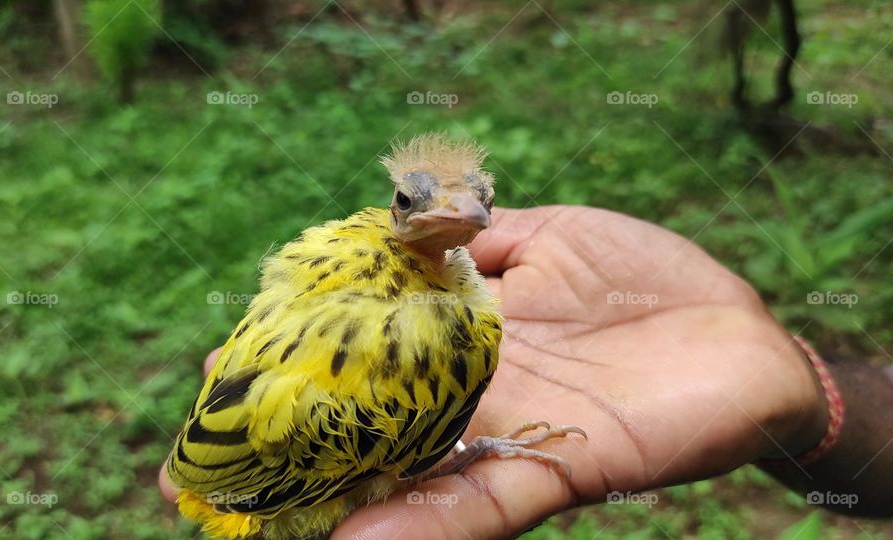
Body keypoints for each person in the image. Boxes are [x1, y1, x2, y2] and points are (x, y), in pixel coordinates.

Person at [159, 206, 893, 539]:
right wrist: (467, 452)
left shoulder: (402, 309)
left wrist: (780, 375)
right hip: (271, 503)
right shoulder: (441, 345)